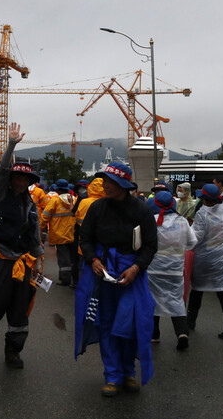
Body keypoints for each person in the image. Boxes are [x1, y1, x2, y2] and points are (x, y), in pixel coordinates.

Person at [76, 162, 158, 397]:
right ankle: (111, 375)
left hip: (132, 272)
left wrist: (135, 268)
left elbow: (151, 245)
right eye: (104, 181)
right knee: (107, 323)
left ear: (123, 185)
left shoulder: (142, 210)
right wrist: (93, 260)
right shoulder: (97, 207)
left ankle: (129, 372)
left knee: (131, 323)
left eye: (111, 183)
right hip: (103, 272)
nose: (105, 186)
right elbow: (85, 238)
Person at [0, 123, 44, 369]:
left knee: (20, 309)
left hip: (22, 262)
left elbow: (34, 234)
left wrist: (38, 260)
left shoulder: (30, 203)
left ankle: (13, 351)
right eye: (18, 177)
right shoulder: (1, 194)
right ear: (12, 179)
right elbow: (1, 170)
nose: (22, 181)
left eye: (26, 177)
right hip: (0, 258)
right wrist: (12, 143)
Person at [187, 183, 223, 341]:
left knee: (197, 290)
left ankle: (190, 324)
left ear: (203, 199)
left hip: (203, 260)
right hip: (222, 259)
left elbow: (196, 237)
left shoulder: (202, 214)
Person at [146, 191, 197, 350]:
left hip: (153, 269)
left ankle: (154, 334)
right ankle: (182, 333)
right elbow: (192, 243)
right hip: (175, 269)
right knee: (176, 300)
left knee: (152, 300)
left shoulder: (150, 221)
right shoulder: (182, 222)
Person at [40, 178, 76, 286]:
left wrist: (40, 228)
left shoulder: (55, 201)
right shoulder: (74, 199)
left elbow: (45, 215)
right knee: (73, 257)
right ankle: (74, 279)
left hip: (59, 235)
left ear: (58, 190)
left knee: (63, 259)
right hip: (73, 234)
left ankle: (65, 279)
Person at [73, 178, 105, 287]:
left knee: (84, 266)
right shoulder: (108, 203)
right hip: (102, 244)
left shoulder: (84, 201)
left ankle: (82, 287)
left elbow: (77, 217)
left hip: (85, 242)